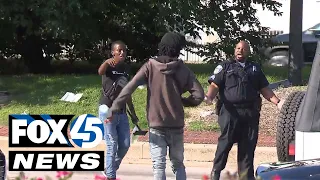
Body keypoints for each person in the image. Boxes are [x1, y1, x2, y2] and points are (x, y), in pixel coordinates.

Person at [106, 32, 205, 180]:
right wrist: (182, 101)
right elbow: (199, 95)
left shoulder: (150, 66)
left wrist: (114, 108)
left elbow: (129, 88)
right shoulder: (183, 69)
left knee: (158, 165)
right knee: (178, 164)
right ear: (178, 48)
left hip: (156, 124)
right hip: (176, 125)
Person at [205, 40, 284, 180]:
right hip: (230, 112)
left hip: (250, 113)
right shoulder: (225, 66)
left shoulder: (254, 68)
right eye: (237, 48)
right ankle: (215, 172)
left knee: (248, 147)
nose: (240, 50)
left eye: (243, 48)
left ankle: (246, 176)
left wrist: (277, 102)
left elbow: (264, 89)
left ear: (248, 51)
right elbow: (215, 85)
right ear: (234, 50)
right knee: (225, 143)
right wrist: (209, 97)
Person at [98, 40, 139, 180]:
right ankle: (110, 176)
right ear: (113, 52)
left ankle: (109, 169)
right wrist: (107, 62)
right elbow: (100, 71)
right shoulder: (108, 66)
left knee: (126, 144)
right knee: (112, 144)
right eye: (119, 50)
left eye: (124, 50)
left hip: (121, 111)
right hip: (107, 109)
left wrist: (133, 114)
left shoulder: (126, 69)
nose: (122, 52)